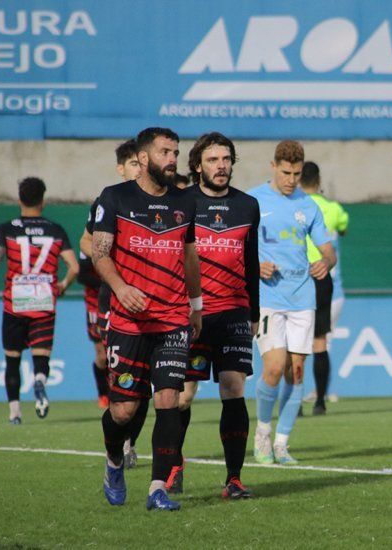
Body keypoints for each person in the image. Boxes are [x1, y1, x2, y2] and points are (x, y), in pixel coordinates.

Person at [92, 127, 202, 511]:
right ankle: (113, 461)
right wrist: (121, 288)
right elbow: (100, 253)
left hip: (172, 318)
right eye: (165, 152)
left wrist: (196, 304)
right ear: (142, 159)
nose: (173, 159)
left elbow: (189, 256)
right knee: (124, 410)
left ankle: (158, 488)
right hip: (128, 321)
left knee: (169, 400)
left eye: (176, 152)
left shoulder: (185, 202)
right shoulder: (114, 197)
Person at [167, 132, 260, 499]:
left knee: (233, 387)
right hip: (192, 314)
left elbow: (251, 261)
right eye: (213, 160)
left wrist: (254, 311)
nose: (221, 166)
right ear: (197, 166)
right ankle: (173, 463)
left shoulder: (247, 205)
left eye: (226, 159)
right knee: (183, 396)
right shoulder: (180, 202)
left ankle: (233, 478)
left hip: (235, 311)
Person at [248, 140, 336, 465]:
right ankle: (263, 432)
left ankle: (282, 444)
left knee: (296, 373)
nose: (291, 180)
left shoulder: (308, 205)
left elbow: (328, 250)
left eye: (297, 174)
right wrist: (256, 265)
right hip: (268, 297)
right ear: (273, 166)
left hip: (302, 298)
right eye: (286, 172)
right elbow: (237, 246)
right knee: (273, 368)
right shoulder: (254, 200)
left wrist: (326, 261)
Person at [0, 177, 78, 423]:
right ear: (43, 200)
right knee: (41, 357)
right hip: (44, 300)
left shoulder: (7, 228)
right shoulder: (56, 229)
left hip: (15, 304)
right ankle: (39, 381)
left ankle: (15, 413)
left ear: (19, 199)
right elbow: (73, 266)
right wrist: (63, 284)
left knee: (12, 360)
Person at [80, 140, 148, 468]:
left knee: (146, 379)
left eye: (142, 162)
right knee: (116, 368)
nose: (139, 168)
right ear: (121, 168)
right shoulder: (108, 200)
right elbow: (86, 240)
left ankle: (130, 444)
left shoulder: (159, 201)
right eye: (133, 163)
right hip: (115, 298)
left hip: (153, 301)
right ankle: (117, 438)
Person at [299, 161, 349, 415]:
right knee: (320, 341)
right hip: (325, 279)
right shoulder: (332, 208)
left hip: (296, 278)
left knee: (293, 343)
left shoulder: (293, 204)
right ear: (318, 181)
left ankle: (294, 402)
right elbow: (344, 228)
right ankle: (320, 402)